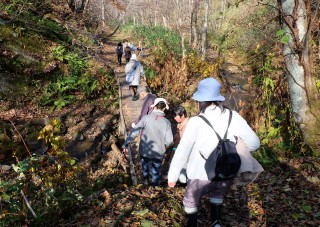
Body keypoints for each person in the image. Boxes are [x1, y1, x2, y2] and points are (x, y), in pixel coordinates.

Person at [167, 78, 260, 227]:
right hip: (225, 172)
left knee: (191, 201)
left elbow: (182, 150)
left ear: (200, 101)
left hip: (199, 174)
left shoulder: (196, 122)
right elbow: (254, 144)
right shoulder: (233, 117)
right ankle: (216, 222)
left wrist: (173, 175)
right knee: (217, 193)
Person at [122, 98, 173, 186]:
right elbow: (170, 141)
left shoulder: (146, 118)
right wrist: (164, 147)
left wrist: (126, 143)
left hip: (145, 149)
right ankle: (154, 188)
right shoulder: (167, 122)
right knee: (156, 171)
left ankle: (145, 181)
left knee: (145, 165)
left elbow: (135, 131)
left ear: (154, 107)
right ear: (164, 108)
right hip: (158, 152)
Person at [172, 105, 189, 184]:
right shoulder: (180, 125)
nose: (174, 118)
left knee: (183, 169)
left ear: (182, 115)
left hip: (187, 152)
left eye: (176, 116)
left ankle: (183, 184)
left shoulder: (189, 125)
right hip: (181, 151)